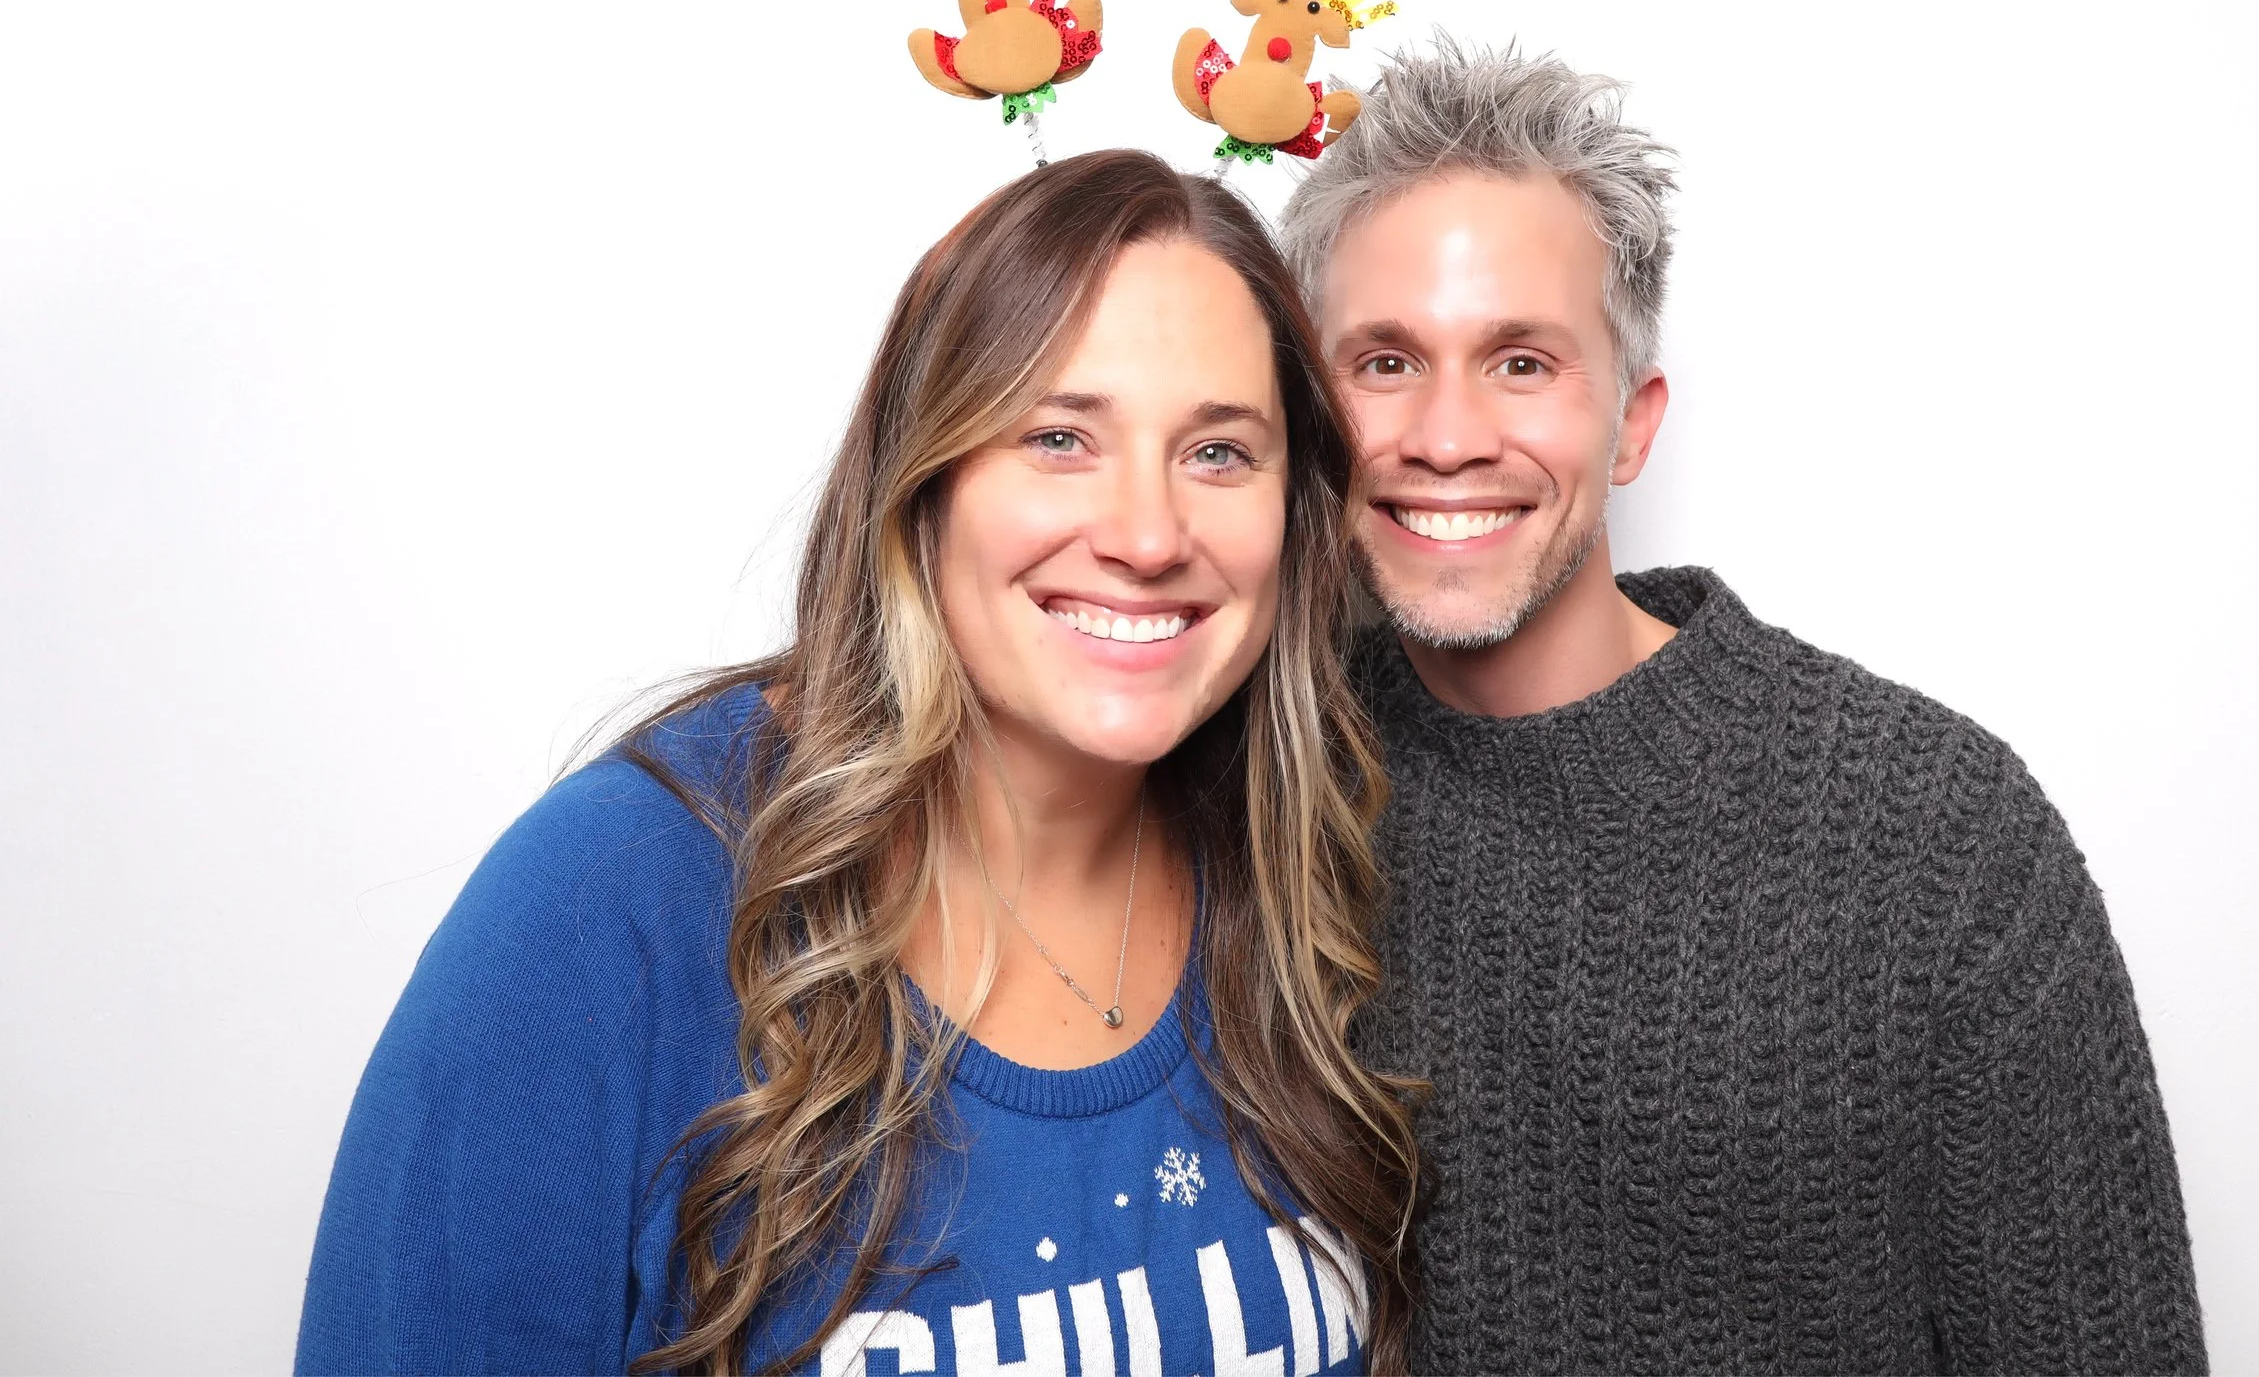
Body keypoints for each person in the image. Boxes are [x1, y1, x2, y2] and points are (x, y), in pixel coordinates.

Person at [298, 151, 1420, 1374]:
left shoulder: (1307, 870)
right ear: (922, 478)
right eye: (1056, 436)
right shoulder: (612, 905)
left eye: (1217, 452)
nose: (1148, 535)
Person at [1277, 39, 2207, 1374]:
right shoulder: (1260, 785)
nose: (1446, 434)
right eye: (1384, 361)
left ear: (1634, 421)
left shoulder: (1936, 842)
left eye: (1523, 361)